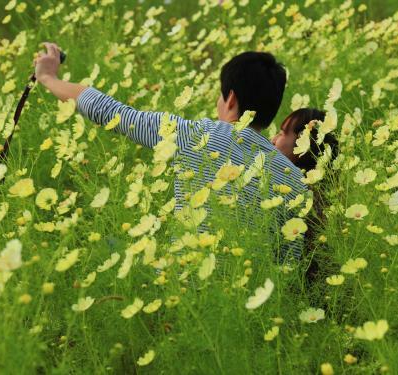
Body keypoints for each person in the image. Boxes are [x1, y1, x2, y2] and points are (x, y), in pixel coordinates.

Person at [34, 42, 307, 260]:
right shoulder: (297, 183)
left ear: (231, 98)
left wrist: (47, 77)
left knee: (104, 245)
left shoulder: (195, 135)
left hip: (183, 296)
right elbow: (289, 263)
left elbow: (108, 111)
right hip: (251, 312)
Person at [271, 108, 339, 280]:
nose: (272, 140)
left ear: (305, 142)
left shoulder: (304, 197)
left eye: (281, 134)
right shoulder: (324, 192)